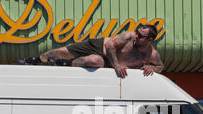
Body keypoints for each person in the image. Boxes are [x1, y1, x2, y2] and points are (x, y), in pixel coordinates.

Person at [17, 24, 164, 79]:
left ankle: (65, 64)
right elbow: (111, 46)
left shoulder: (152, 55)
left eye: (141, 36)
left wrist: (153, 68)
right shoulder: (129, 36)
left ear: (150, 40)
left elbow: (161, 66)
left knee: (94, 61)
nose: (137, 36)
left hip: (107, 62)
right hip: (100, 47)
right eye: (138, 33)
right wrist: (117, 66)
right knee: (62, 51)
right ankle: (35, 60)